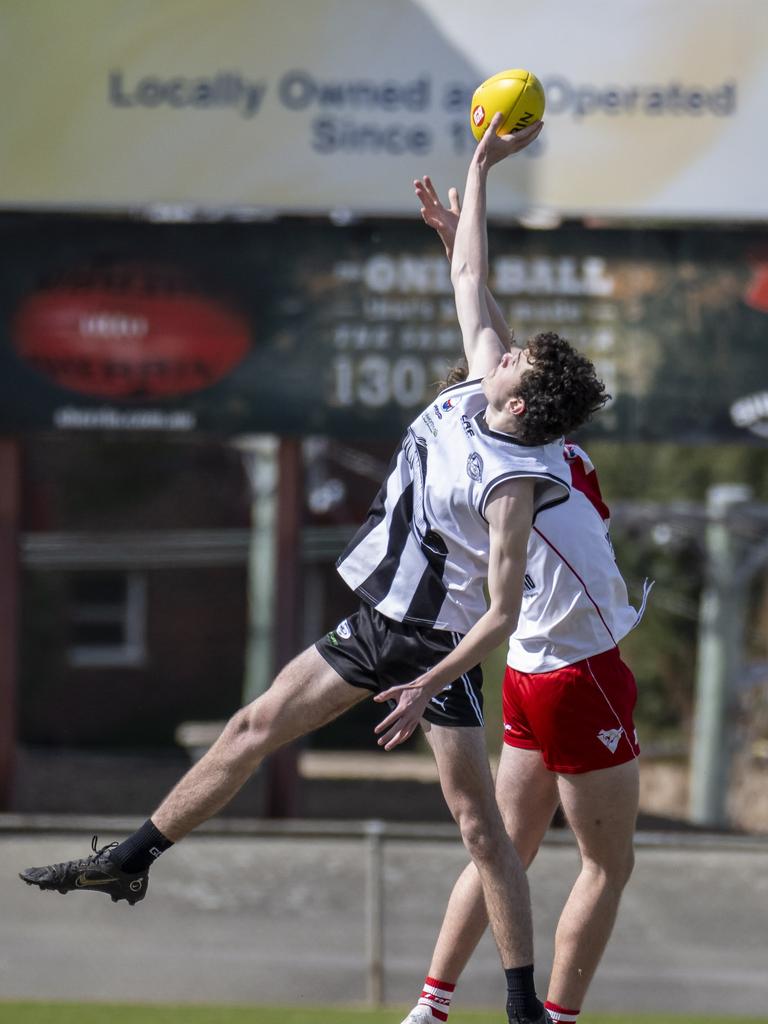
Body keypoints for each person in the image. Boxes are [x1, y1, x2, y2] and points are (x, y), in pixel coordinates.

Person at [20, 114, 608, 1024]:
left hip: (432, 646)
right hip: (377, 620)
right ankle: (130, 860)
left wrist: (428, 687)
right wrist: (481, 167)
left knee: (482, 831)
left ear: (519, 398)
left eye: (517, 358)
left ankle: (522, 1007)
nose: (505, 343)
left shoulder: (515, 487)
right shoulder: (483, 385)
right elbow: (470, 272)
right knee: (254, 725)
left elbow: (497, 615)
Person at [398, 176, 650, 1024]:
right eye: (504, 360)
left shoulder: (492, 427)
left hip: (529, 674)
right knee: (607, 867)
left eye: (510, 361)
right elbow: (484, 320)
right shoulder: (529, 461)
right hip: (580, 672)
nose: (498, 355)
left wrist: (457, 224)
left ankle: (430, 1009)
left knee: (505, 848)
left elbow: (474, 295)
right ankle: (558, 1020)